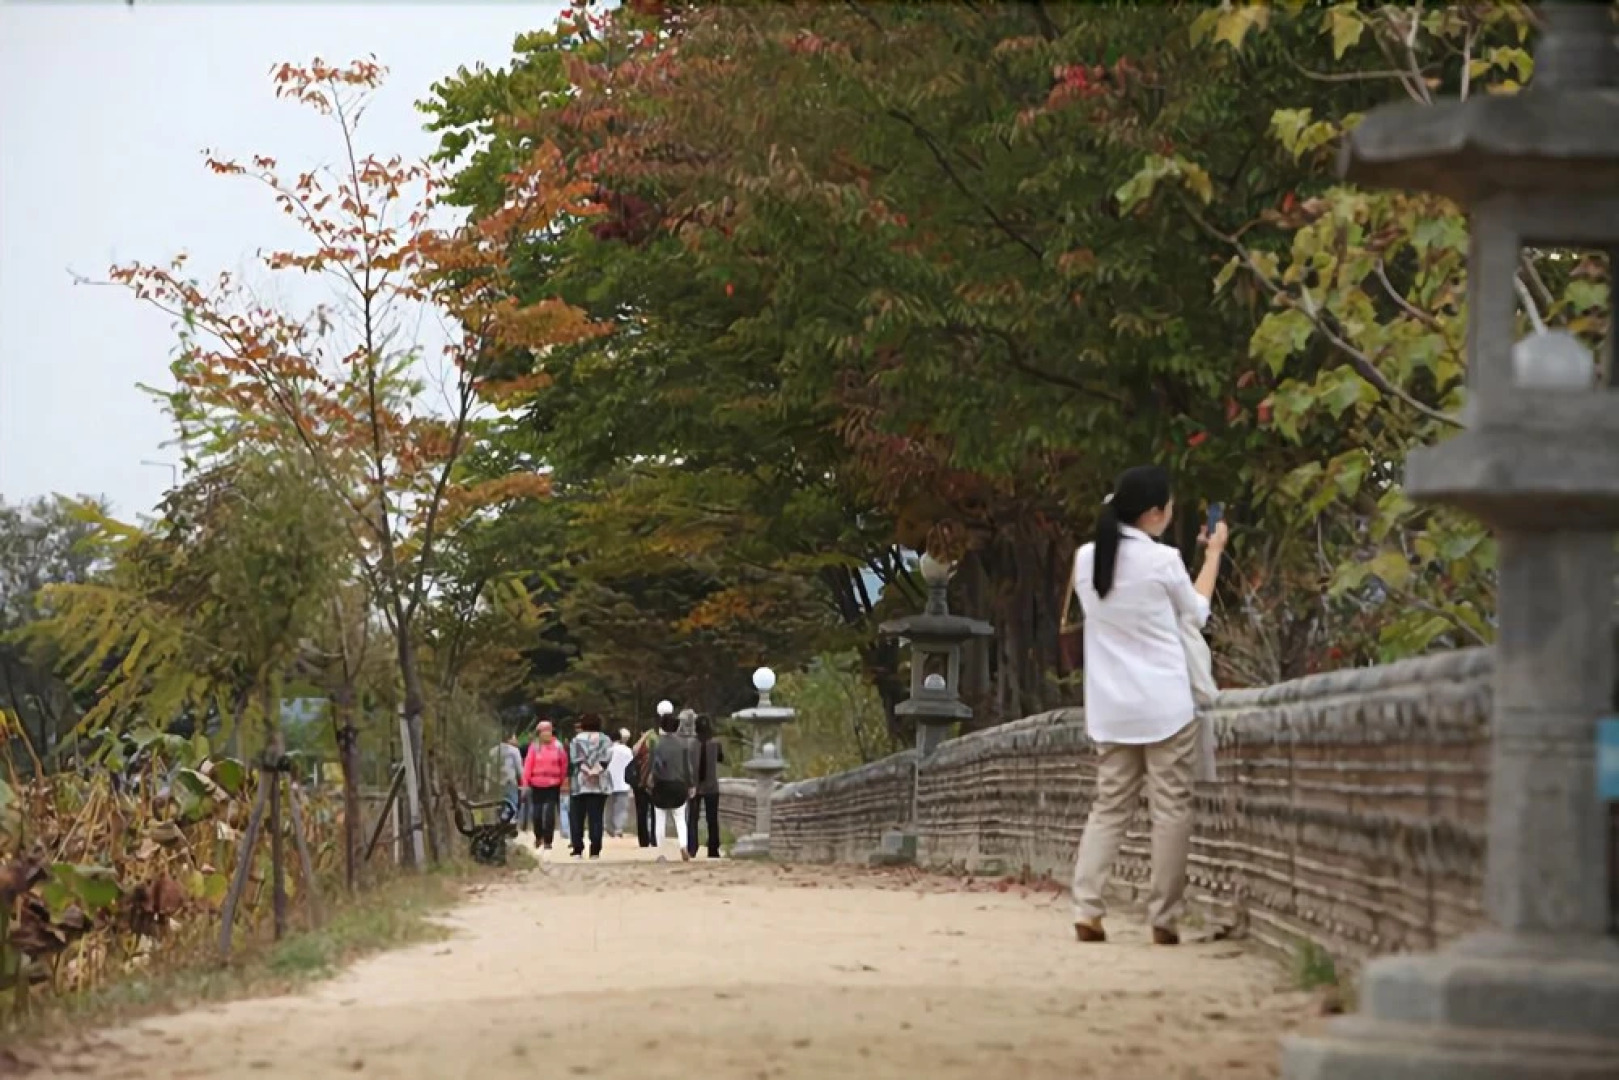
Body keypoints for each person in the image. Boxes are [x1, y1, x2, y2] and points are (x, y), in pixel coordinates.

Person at [1067, 465, 1227, 947]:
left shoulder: (1086, 559)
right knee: (1171, 808)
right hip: (1165, 707)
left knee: (1109, 808)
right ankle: (1164, 916)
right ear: (1154, 513)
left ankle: (1087, 909)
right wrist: (1213, 554)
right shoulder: (1164, 561)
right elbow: (1197, 613)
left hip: (1111, 708)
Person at [647, 711, 697, 860]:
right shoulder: (683, 744)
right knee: (680, 819)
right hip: (679, 785)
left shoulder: (656, 744)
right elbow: (688, 768)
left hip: (661, 785)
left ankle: (661, 852)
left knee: (660, 819)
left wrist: (651, 781)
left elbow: (653, 766)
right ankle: (683, 845)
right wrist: (691, 785)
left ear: (661, 726)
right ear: (676, 726)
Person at [568, 715, 615, 859]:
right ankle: (595, 850)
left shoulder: (576, 740)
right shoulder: (605, 739)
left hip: (580, 784)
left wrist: (586, 771)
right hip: (599, 784)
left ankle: (578, 849)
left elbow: (575, 759)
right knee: (596, 818)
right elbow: (607, 758)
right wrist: (595, 770)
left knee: (577, 817)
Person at [522, 719, 569, 850]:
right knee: (536, 813)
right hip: (536, 784)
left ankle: (548, 840)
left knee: (549, 813)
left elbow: (563, 764)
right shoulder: (534, 747)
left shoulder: (558, 746)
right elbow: (528, 766)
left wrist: (561, 780)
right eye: (543, 731)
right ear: (539, 733)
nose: (546, 734)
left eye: (548, 731)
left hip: (553, 785)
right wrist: (525, 783)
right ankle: (538, 836)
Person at [686, 714, 725, 859]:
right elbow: (721, 758)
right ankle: (713, 849)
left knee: (693, 818)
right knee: (712, 819)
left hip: (694, 786)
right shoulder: (716, 744)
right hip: (711, 786)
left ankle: (692, 848)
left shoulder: (690, 744)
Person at [630, 727, 659, 848]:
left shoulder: (641, 748)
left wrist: (643, 737)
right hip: (655, 784)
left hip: (641, 783)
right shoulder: (658, 744)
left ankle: (644, 840)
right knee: (655, 813)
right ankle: (655, 838)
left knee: (642, 813)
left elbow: (634, 750)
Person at [607, 727, 635, 839]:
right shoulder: (627, 751)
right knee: (621, 808)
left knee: (609, 807)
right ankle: (619, 829)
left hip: (609, 782)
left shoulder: (608, 750)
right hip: (624, 783)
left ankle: (609, 828)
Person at [489, 732, 523, 822]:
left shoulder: (492, 751)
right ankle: (510, 822)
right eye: (514, 737)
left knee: (499, 803)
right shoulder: (514, 751)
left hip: (495, 781)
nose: (516, 740)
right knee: (512, 802)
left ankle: (500, 820)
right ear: (509, 739)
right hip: (509, 781)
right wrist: (522, 780)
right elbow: (519, 769)